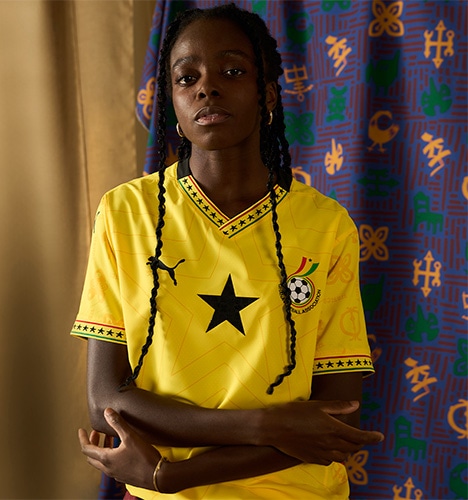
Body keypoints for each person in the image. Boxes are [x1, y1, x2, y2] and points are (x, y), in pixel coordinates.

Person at [73, 4, 384, 499]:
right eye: (187, 78)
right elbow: (105, 403)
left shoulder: (326, 226)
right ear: (173, 102)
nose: (207, 89)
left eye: (232, 71)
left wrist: (171, 474)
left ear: (268, 95)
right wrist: (267, 425)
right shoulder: (124, 213)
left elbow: (336, 421)